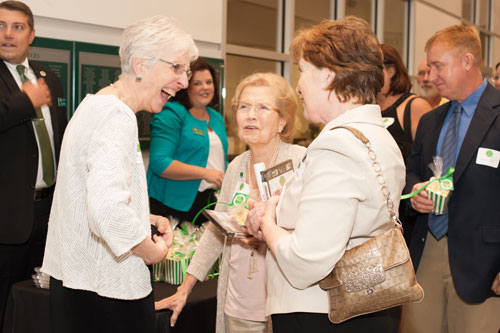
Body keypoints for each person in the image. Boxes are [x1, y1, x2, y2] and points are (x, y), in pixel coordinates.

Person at [245, 17, 405, 333]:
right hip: (366, 306)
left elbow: (305, 262)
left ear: (328, 75)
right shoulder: (378, 136)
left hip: (322, 314)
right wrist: (277, 207)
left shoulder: (338, 145)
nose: (298, 86)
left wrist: (266, 224)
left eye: (303, 71)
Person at [41, 15, 198, 333]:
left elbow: (89, 197)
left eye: (187, 72)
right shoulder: (117, 117)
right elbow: (108, 212)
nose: (184, 82)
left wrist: (142, 216)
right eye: (176, 69)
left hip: (79, 284)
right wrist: (153, 252)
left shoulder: (94, 104)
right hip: (104, 294)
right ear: (140, 66)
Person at [155, 72, 306, 333]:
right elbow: (216, 231)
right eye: (244, 107)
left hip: (282, 305)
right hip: (237, 303)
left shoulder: (300, 162)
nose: (250, 115)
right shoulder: (236, 166)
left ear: (282, 120)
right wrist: (184, 289)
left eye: (262, 108)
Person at [400, 25, 500, 332]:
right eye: (429, 67)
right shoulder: (431, 121)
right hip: (427, 248)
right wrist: (414, 189)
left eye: (438, 66)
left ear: (468, 62)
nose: (430, 77)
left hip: (483, 262)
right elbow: (411, 171)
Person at [0, 0, 67, 328]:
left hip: (47, 213)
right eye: (0, 26)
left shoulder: (49, 79)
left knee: (38, 302)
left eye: (17, 27)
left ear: (32, 35)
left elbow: (62, 138)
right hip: (6, 218)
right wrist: (26, 101)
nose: (7, 34)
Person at [147, 57, 227, 225]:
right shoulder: (171, 113)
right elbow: (159, 163)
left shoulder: (217, 118)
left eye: (209, 82)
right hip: (171, 204)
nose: (205, 87)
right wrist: (206, 173)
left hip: (208, 201)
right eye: (197, 83)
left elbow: (219, 159)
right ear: (186, 86)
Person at [378, 44, 431, 161]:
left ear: (391, 71)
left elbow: (429, 157)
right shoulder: (366, 107)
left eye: (374, 70)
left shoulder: (415, 106)